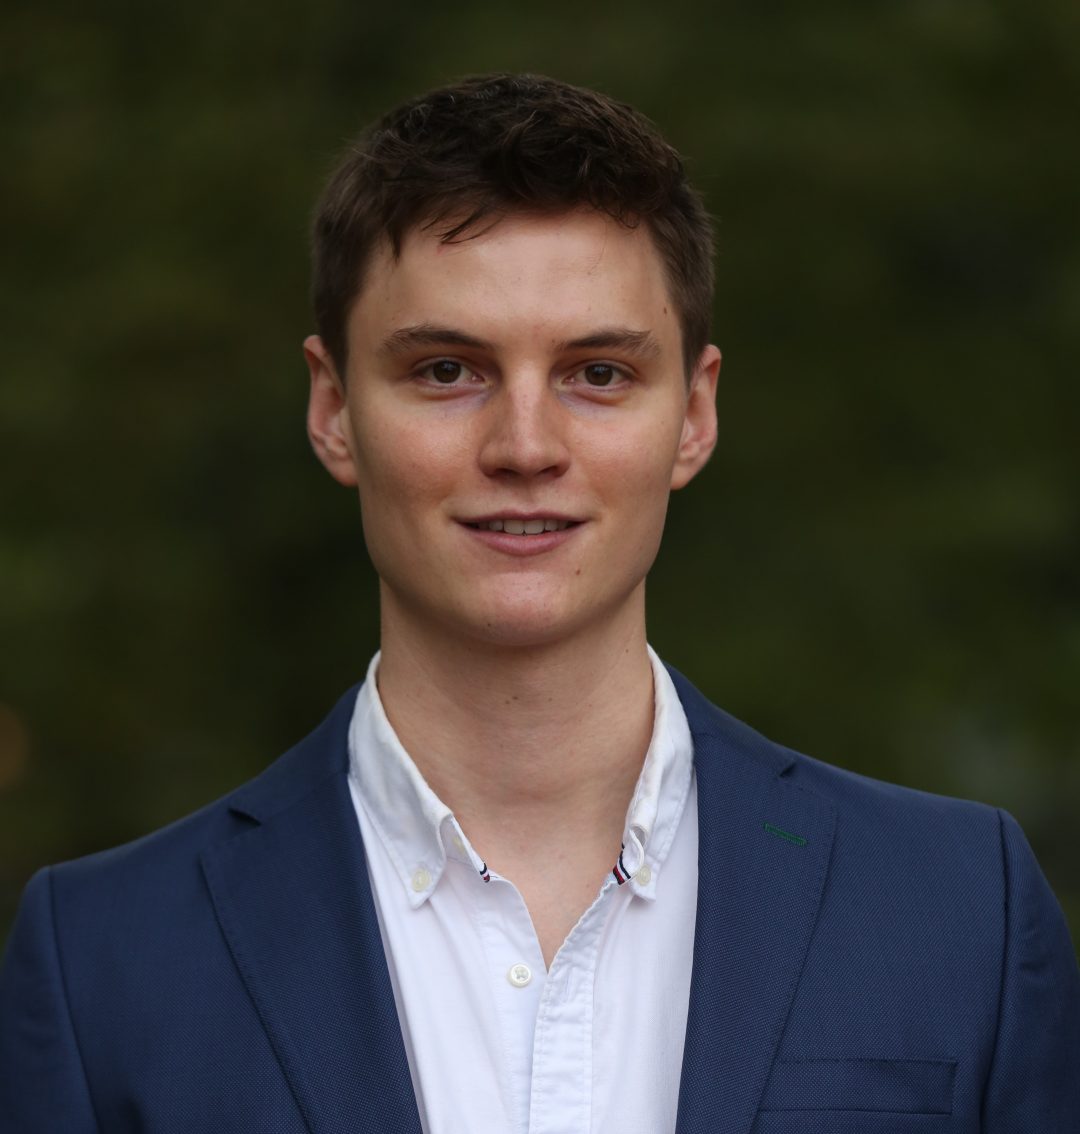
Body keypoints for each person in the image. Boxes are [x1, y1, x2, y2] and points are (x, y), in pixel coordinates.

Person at [1, 72, 1077, 1133]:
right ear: (333, 410)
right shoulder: (102, 961)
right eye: (446, 371)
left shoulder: (958, 910)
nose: (525, 447)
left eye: (598, 373)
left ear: (694, 416)